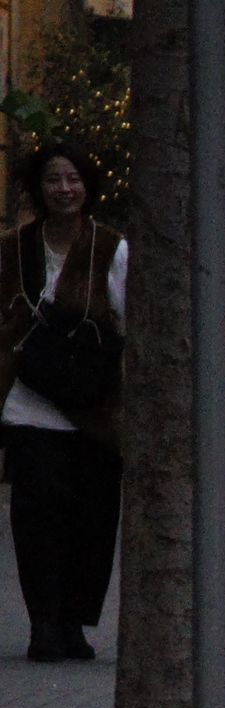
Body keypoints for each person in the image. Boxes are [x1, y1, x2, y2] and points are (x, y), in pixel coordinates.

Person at [0, 143, 124, 662]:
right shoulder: (11, 248)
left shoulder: (111, 249)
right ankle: (44, 624)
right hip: (28, 409)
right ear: (38, 187)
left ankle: (74, 623)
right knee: (36, 522)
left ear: (88, 187)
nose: (64, 188)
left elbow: (130, 321)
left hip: (93, 412)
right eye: (54, 179)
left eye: (73, 179)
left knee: (92, 521)